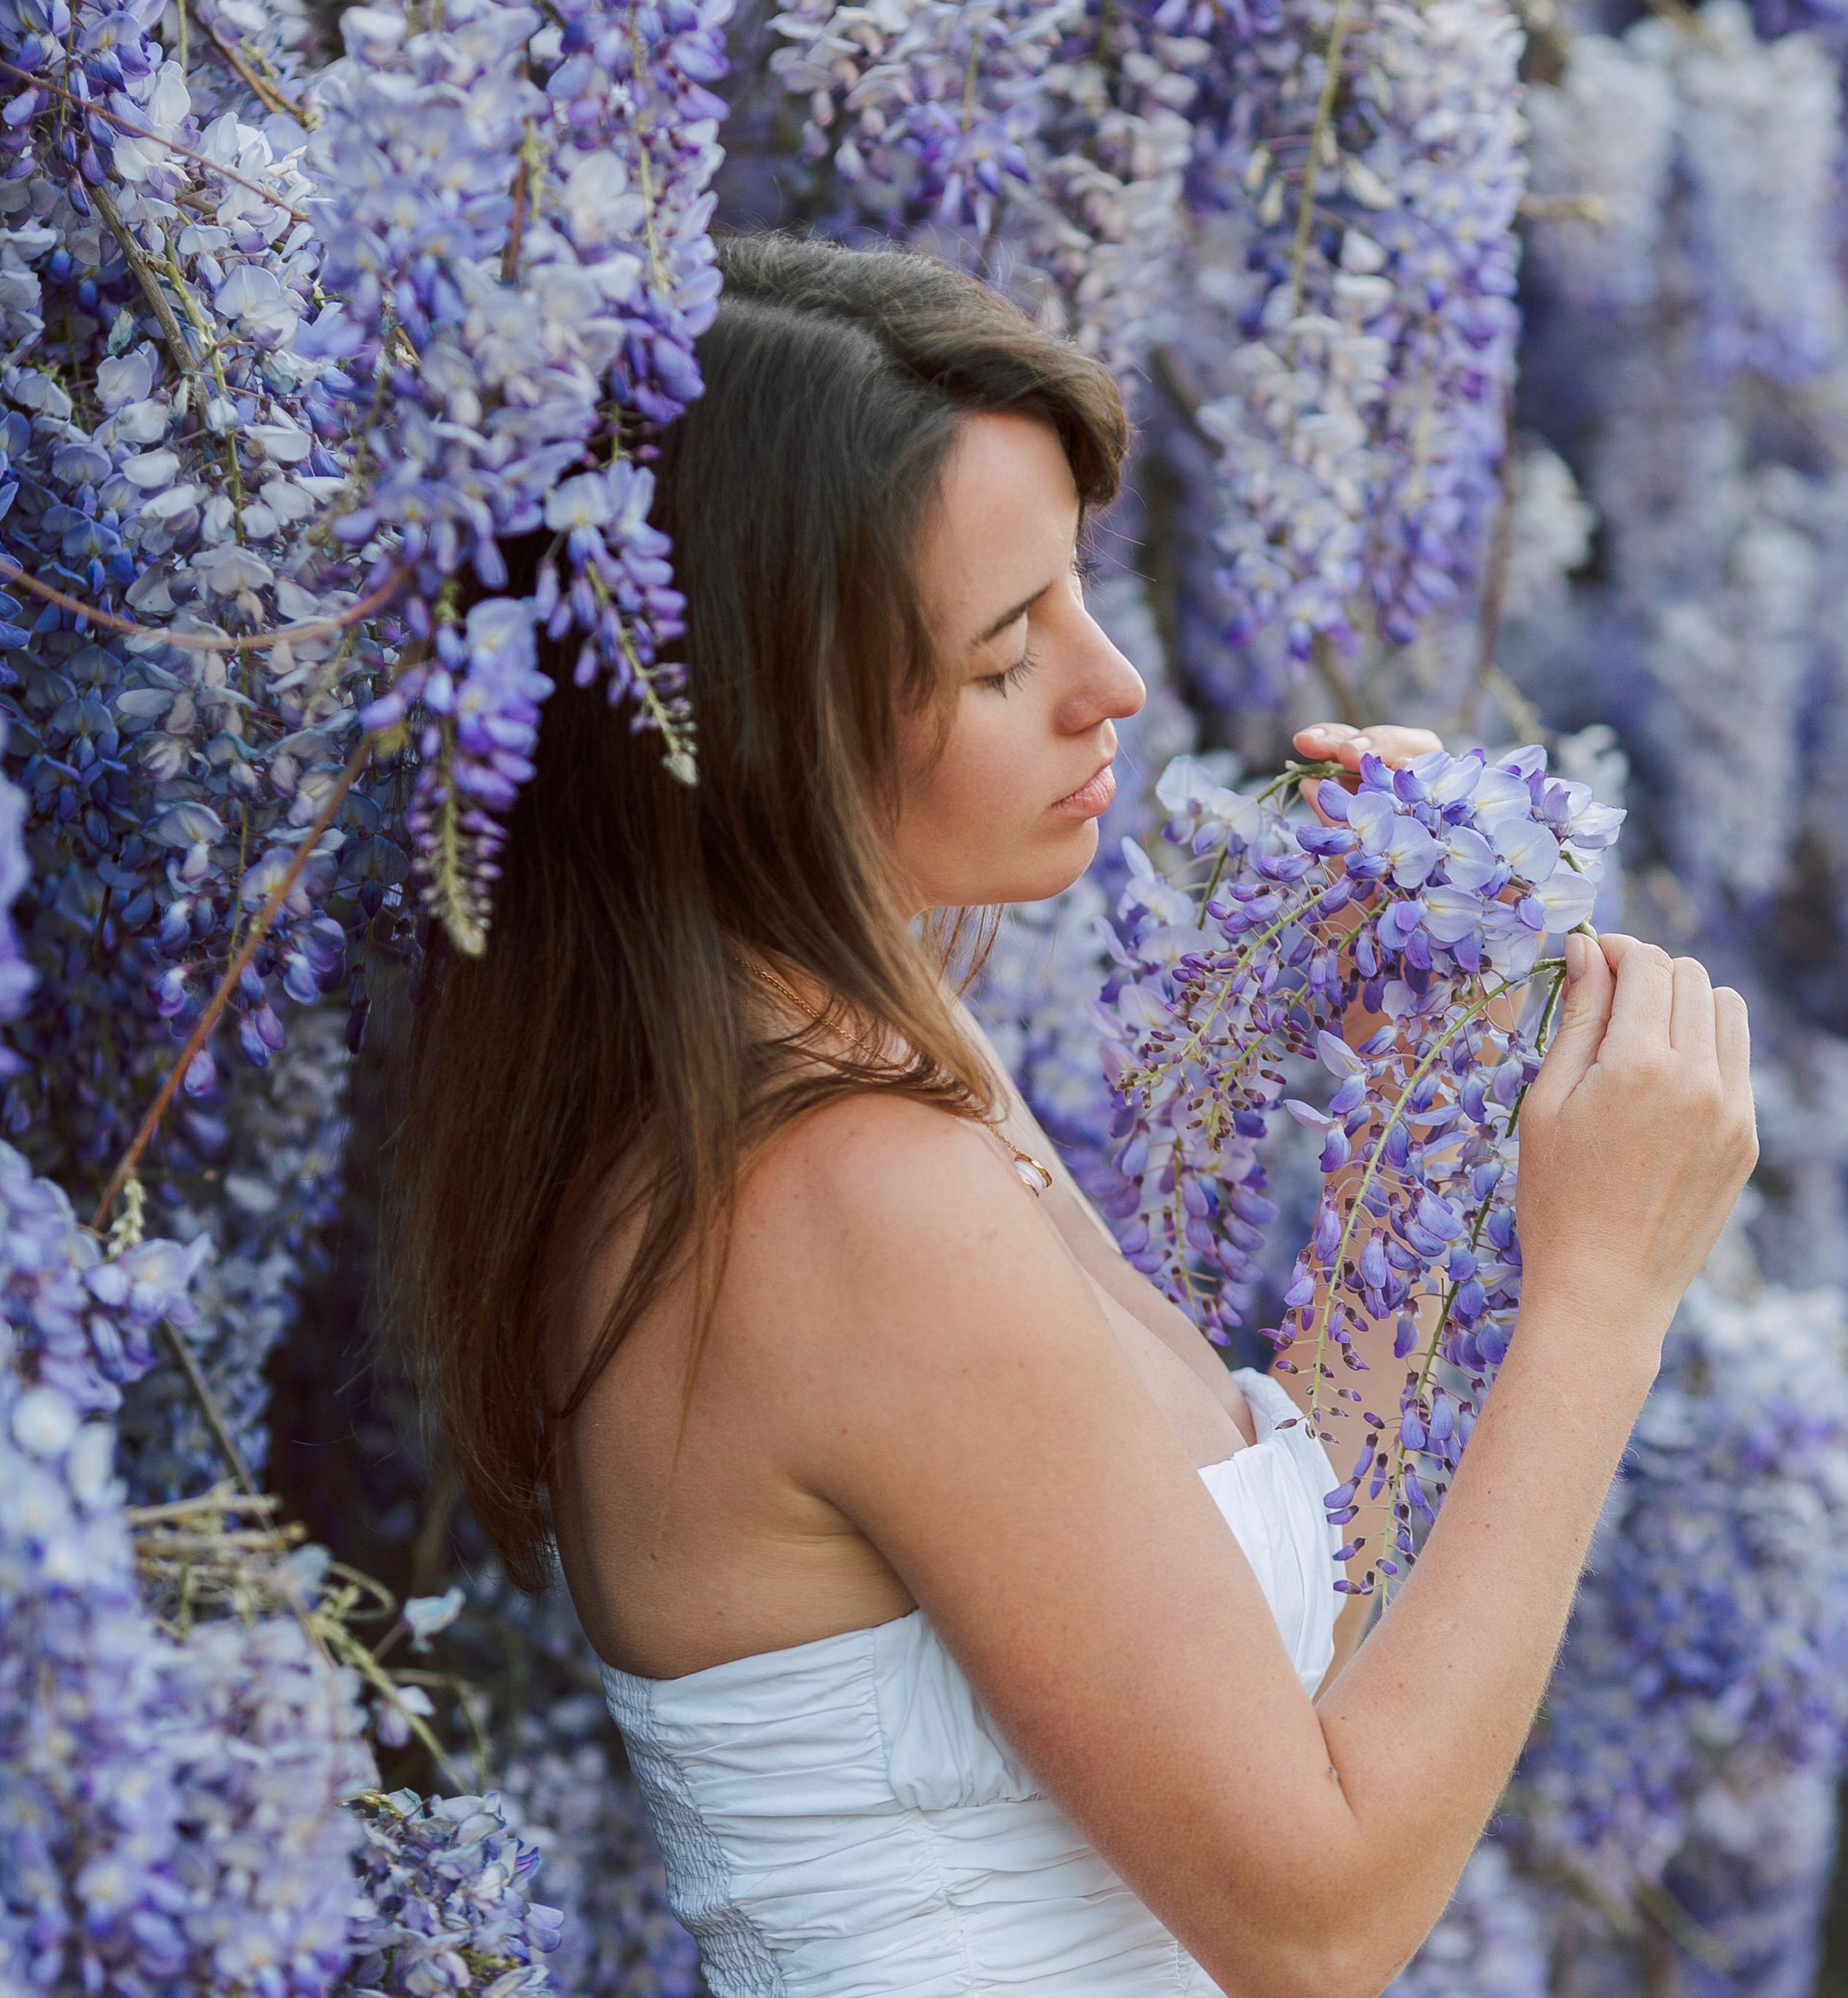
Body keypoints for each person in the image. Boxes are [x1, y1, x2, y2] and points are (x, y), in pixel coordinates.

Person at [382, 228, 1757, 1998]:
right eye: (998, 653)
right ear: (767, 721)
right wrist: (1599, 1301)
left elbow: (1279, 1629)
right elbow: (1315, 1916)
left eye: (1079, 592)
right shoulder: (848, 1201)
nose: (1112, 684)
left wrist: (1425, 1083)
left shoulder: (865, 1064)